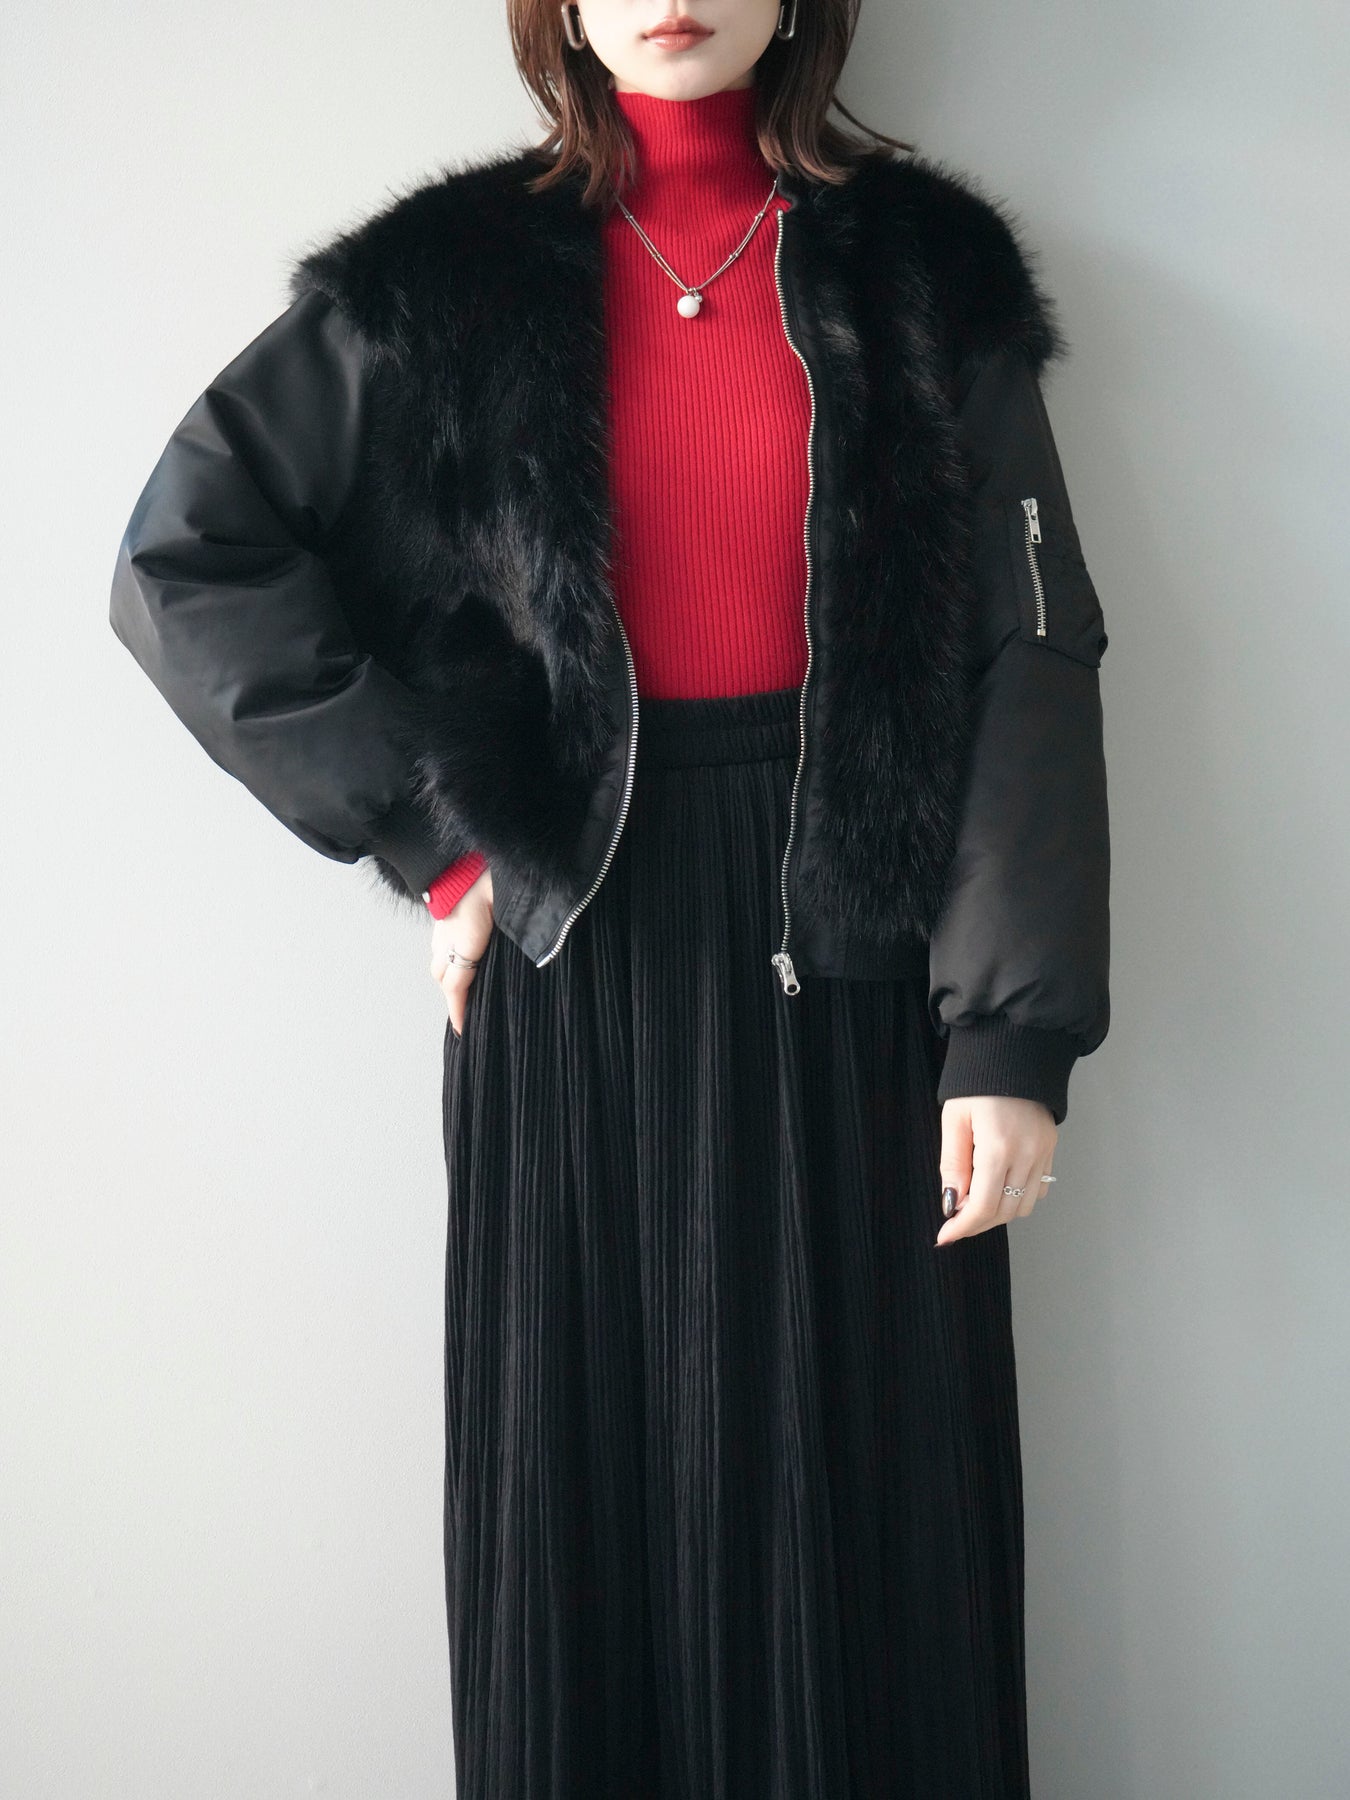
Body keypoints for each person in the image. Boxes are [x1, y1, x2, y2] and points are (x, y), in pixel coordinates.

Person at [109, 0, 1110, 1792]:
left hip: (862, 950)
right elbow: (187, 559)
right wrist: (439, 836)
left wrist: (1011, 1030)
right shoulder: (443, 281)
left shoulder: (919, 269)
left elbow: (1021, 653)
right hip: (574, 953)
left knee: (873, 1529)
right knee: (581, 1513)